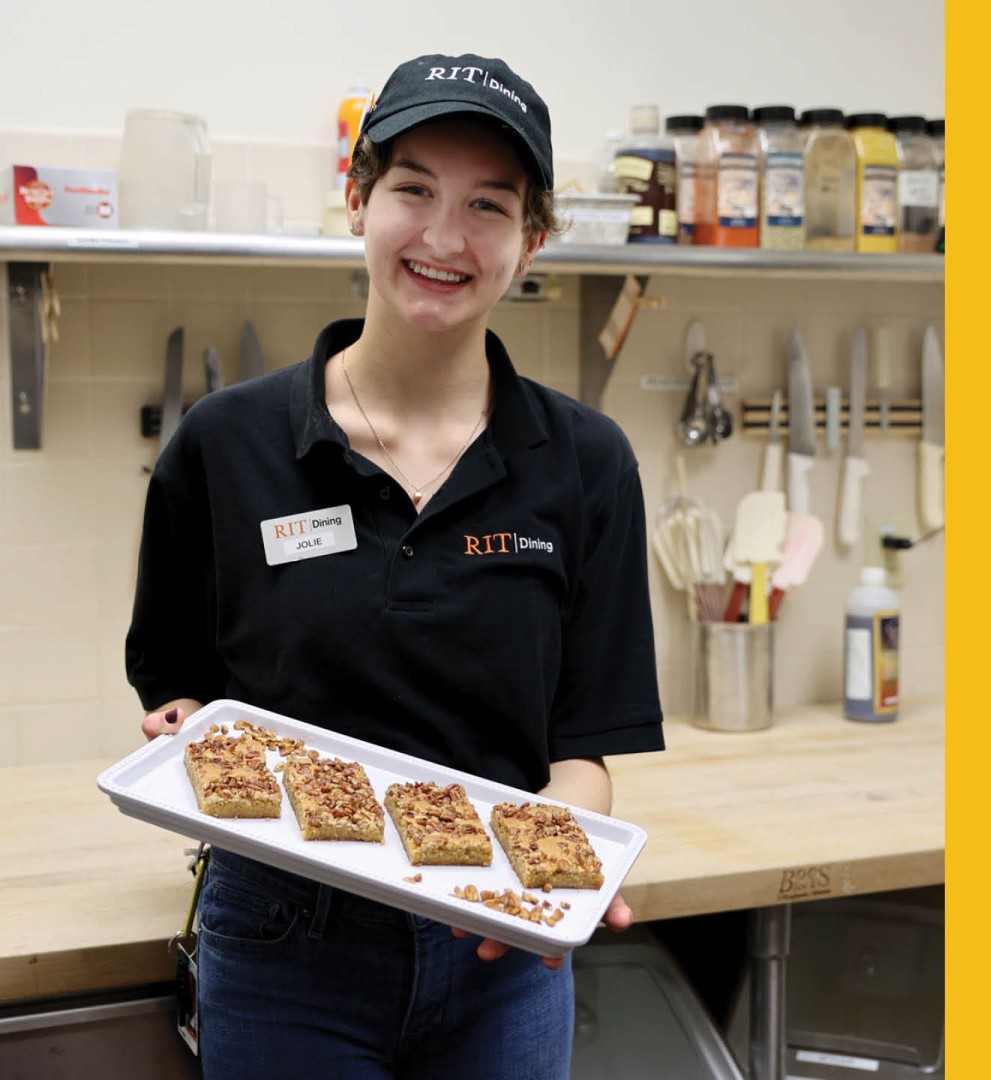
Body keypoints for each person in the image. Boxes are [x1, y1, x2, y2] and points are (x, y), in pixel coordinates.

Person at [126, 53, 663, 1079]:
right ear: (358, 201)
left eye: (489, 206)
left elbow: (586, 752)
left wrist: (552, 875)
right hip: (283, 947)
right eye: (414, 189)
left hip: (500, 953)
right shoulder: (224, 446)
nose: (445, 238)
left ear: (532, 240)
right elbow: (180, 692)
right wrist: (186, 728)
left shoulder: (588, 463)